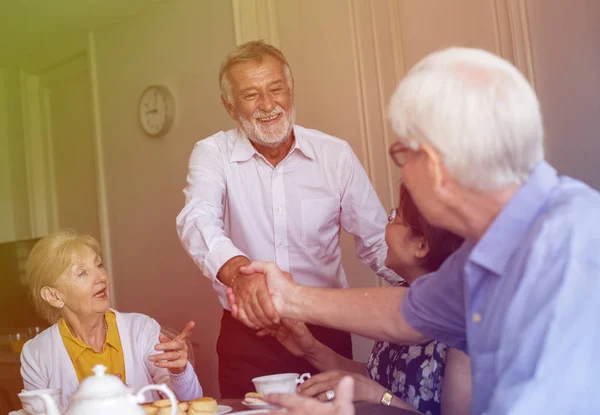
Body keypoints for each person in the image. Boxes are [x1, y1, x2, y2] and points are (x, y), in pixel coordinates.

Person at [229, 47, 600, 414]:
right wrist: (287, 298)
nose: (403, 175)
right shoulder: (484, 250)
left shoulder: (570, 248)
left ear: (435, 166)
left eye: (402, 156)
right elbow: (405, 314)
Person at [176, 40, 398, 397]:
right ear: (229, 105)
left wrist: (431, 293)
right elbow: (196, 218)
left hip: (326, 331)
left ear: (290, 90)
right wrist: (239, 275)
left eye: (276, 89)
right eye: (250, 95)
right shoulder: (212, 153)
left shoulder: (335, 155)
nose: (267, 105)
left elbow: (376, 242)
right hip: (247, 335)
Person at [259, 186, 470, 415]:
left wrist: (379, 397)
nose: (385, 228)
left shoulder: (463, 322)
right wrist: (311, 349)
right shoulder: (396, 295)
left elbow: (376, 390)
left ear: (422, 245)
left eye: (394, 218)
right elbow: (374, 377)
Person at [20, 230, 203, 407]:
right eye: (82, 273)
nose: (101, 277)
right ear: (54, 296)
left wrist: (179, 372)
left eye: (99, 265)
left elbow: (191, 403)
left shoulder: (140, 329)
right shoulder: (36, 354)